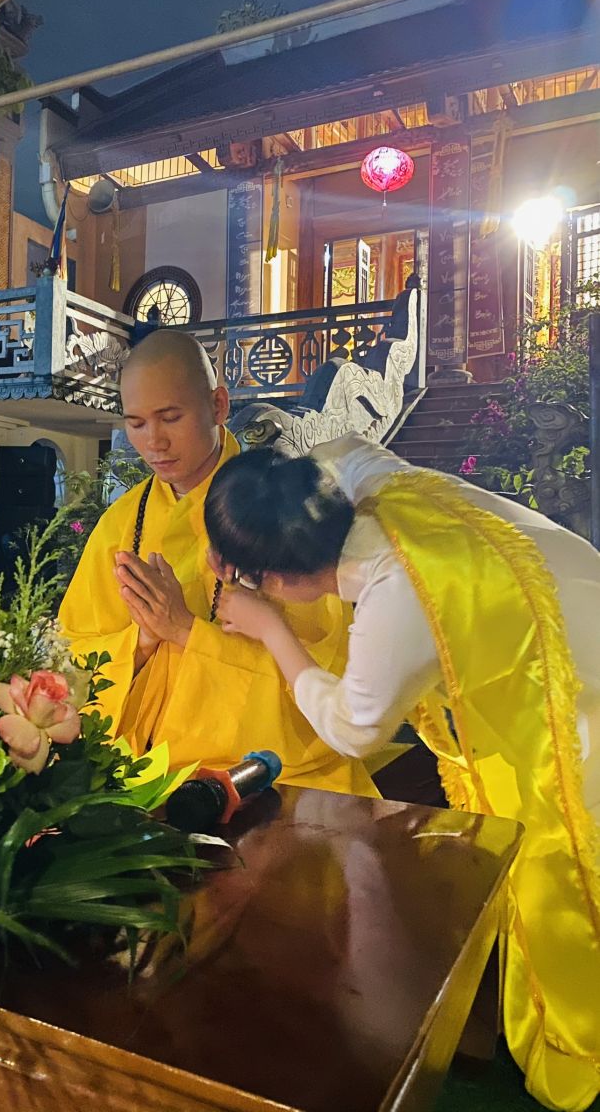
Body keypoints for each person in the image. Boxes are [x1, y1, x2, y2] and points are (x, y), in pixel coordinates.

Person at [204, 432, 600, 1112]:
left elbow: (353, 727)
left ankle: (578, 1048)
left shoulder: (399, 594)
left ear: (279, 579)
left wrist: (271, 630)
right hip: (578, 600)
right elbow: (339, 444)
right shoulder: (371, 481)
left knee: (559, 860)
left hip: (571, 693)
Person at [58, 331, 376, 796]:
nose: (154, 442)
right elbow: (71, 655)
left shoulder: (275, 505)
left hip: (268, 776)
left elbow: (324, 673)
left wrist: (185, 630)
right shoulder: (122, 523)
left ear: (218, 406)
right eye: (137, 424)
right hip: (143, 773)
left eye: (171, 418)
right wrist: (141, 642)